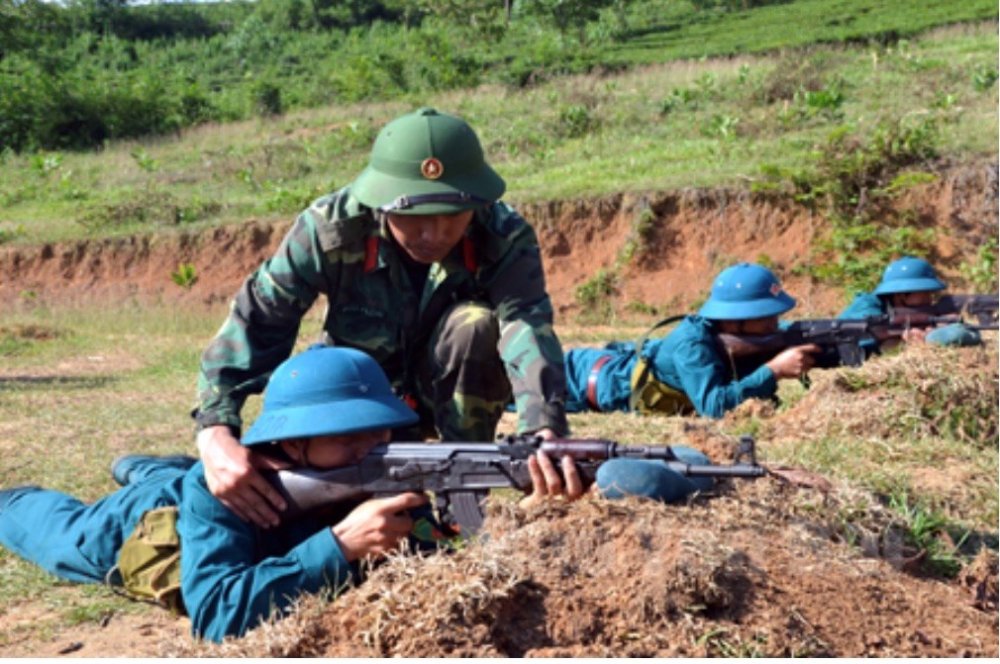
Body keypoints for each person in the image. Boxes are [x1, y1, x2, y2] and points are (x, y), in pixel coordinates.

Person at [0, 346, 583, 643]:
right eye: (347, 435)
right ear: (291, 443)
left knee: (159, 469)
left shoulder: (382, 467)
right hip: (158, 525)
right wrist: (338, 546)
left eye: (379, 429)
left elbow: (440, 545)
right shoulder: (221, 492)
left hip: (219, 494)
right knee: (56, 531)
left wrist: (522, 516)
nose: (372, 447)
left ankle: (140, 464)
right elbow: (216, 615)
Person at [193, 107, 569, 529]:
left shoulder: (503, 234)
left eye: (454, 216)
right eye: (416, 218)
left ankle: (465, 489)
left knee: (475, 325)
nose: (435, 235)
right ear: (381, 201)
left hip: (448, 401)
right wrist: (215, 429)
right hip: (355, 409)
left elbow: (526, 326)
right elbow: (259, 321)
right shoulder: (330, 229)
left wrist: (543, 429)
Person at [563, 263, 819, 419]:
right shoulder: (693, 345)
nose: (773, 321)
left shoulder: (746, 331)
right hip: (575, 380)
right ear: (732, 321)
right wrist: (773, 370)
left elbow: (786, 335)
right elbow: (714, 407)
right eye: (764, 315)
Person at [837, 256, 981, 351]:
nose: (930, 300)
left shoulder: (900, 312)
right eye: (924, 293)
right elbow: (859, 341)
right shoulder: (868, 308)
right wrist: (921, 338)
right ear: (901, 295)